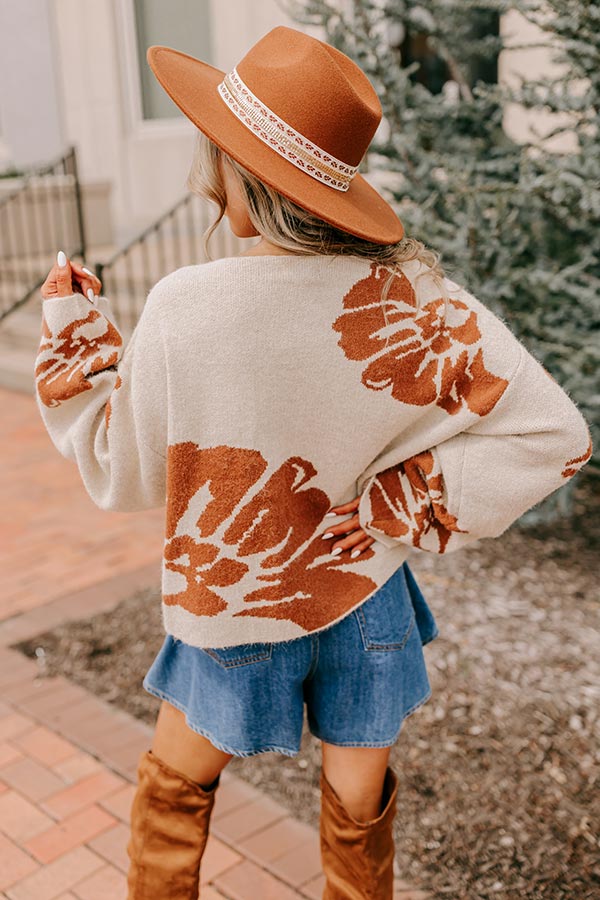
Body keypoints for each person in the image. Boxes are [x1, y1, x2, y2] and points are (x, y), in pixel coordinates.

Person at [35, 25, 592, 900]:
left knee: (176, 797)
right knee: (356, 820)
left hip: (231, 610)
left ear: (240, 174)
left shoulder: (186, 307)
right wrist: (391, 503)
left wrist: (76, 346)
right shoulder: (415, 297)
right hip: (369, 601)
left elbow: (123, 473)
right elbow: (556, 436)